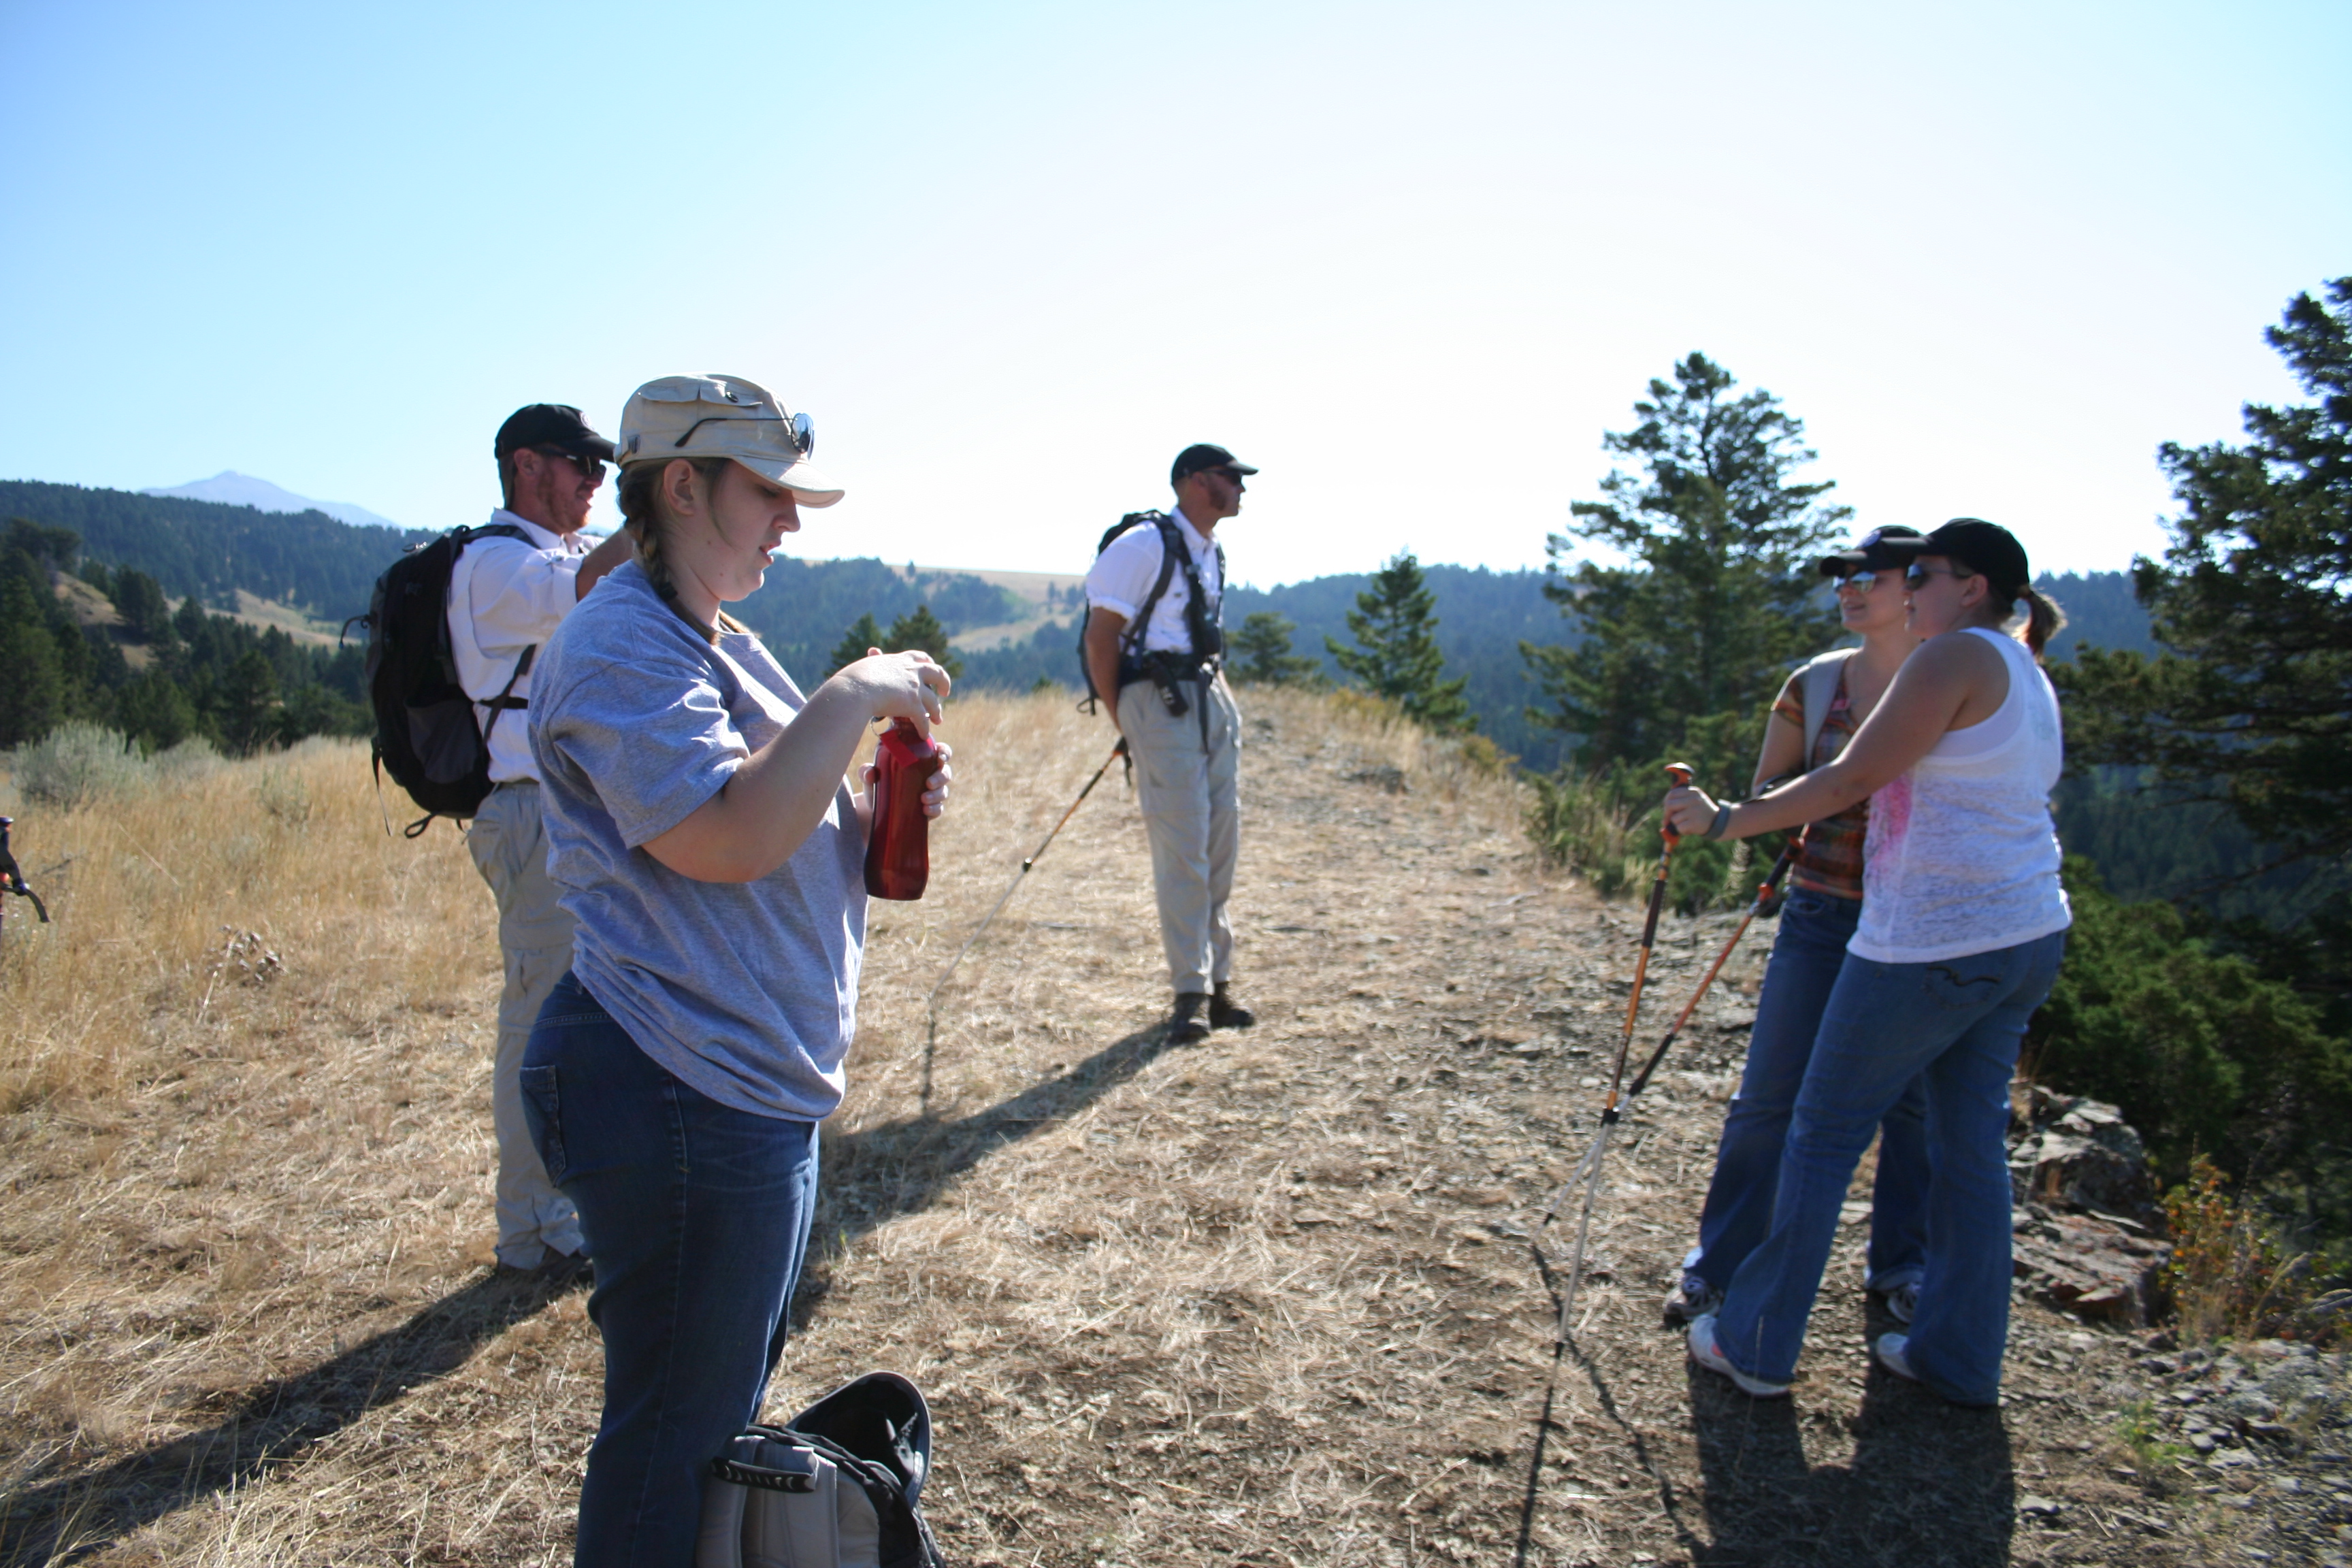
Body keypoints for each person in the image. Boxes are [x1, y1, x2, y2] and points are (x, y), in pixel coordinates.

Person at [519, 374, 953, 1565]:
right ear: (682, 485)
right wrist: (853, 691)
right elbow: (722, 837)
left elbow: (767, 807)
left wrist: (867, 805)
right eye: (768, 492)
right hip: (673, 1081)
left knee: (704, 1421)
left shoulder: (707, 629)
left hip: (737, 1080)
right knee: (673, 1436)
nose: (790, 520)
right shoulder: (621, 643)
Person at [1664, 518, 2070, 1408]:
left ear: (1971, 587)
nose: (1908, 588)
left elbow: (1852, 779)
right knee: (1969, 1151)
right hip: (2027, 933)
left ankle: (1754, 1343)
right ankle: (1958, 1360)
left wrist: (1726, 821)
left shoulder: (1951, 656)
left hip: (1929, 939)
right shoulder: (2024, 667)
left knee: (1820, 1134)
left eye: (1921, 575)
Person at [1664, 526, 1933, 1329]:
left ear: (1915, 585)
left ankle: (1904, 1269)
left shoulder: (1951, 675)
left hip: (1917, 922)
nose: (1848, 589)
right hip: (1824, 911)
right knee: (1768, 1098)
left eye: (1868, 578)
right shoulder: (1815, 685)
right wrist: (1795, 798)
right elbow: (1770, 794)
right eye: (1842, 578)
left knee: (1912, 1108)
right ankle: (1718, 1267)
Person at [450, 404, 635, 1275]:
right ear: (526, 466)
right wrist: (659, 508)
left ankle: (571, 1213)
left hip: (574, 813)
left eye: (606, 470)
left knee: (589, 1021)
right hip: (533, 814)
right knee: (540, 1027)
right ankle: (532, 1233)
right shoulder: (496, 566)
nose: (596, 483)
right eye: (581, 465)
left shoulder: (555, 557)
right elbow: (590, 585)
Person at [1081, 442, 1258, 1044]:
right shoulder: (1142, 546)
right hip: (1159, 701)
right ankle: (1191, 993)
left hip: (1208, 697)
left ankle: (1218, 986)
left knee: (1220, 842)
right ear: (1193, 481)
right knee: (1184, 850)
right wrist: (1127, 720)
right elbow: (1101, 638)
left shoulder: (1212, 549)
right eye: (1229, 477)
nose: (1240, 488)